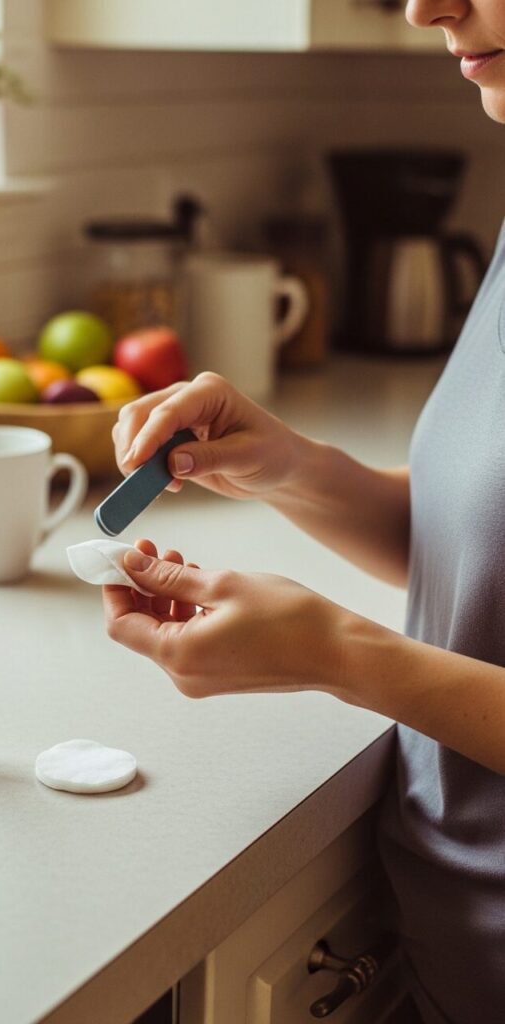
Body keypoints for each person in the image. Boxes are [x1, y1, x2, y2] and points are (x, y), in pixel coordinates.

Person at [101, 3, 505, 1022]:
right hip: (448, 935)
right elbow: (484, 563)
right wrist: (291, 466)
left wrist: (339, 652)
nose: (426, 8)